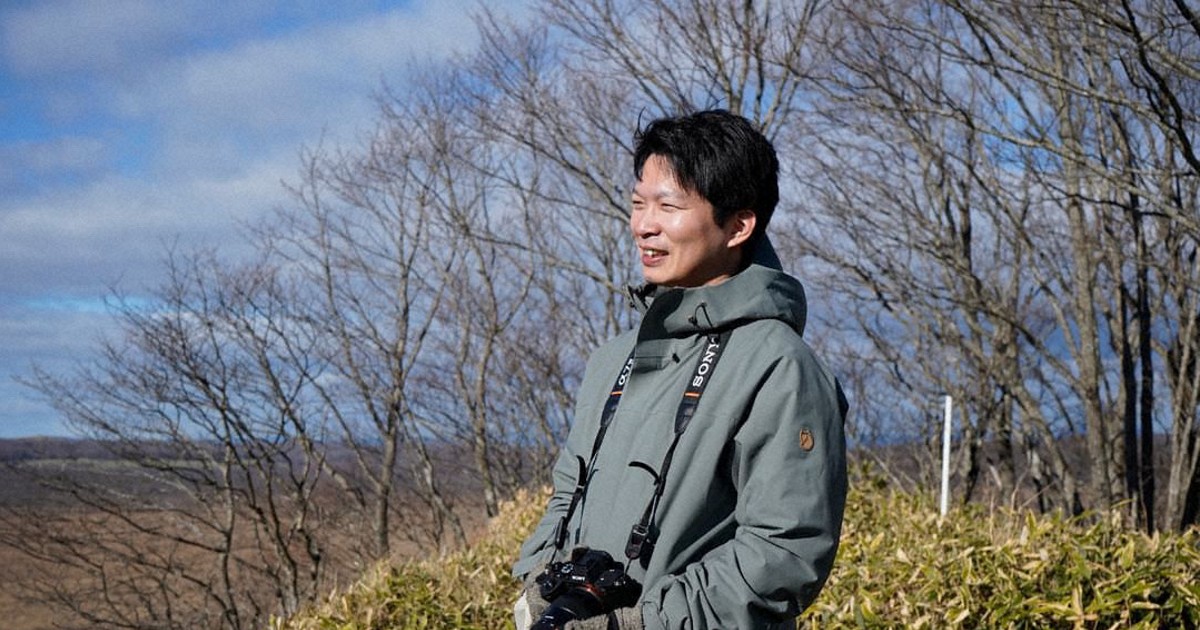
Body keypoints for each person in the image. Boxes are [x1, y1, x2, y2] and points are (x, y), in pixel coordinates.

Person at [513, 109, 848, 630]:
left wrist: (639, 623)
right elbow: (565, 494)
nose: (644, 224)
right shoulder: (613, 361)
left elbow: (785, 551)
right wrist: (541, 584)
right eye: (637, 203)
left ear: (738, 225)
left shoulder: (780, 366)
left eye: (668, 206)